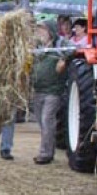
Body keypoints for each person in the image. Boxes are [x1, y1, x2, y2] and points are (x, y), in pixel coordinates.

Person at [31, 18, 71, 164]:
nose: (39, 32)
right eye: (38, 29)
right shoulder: (37, 46)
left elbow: (74, 49)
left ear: (51, 31)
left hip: (53, 91)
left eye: (42, 29)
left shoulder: (60, 44)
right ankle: (49, 148)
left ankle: (45, 154)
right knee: (42, 122)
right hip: (38, 90)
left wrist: (64, 59)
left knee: (47, 120)